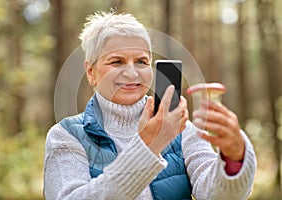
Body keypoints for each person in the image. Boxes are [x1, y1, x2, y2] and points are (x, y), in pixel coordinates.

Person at [43, 11, 256, 200]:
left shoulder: (180, 128)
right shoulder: (65, 136)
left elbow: (217, 194)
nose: (132, 73)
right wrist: (149, 146)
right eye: (116, 61)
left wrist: (234, 156)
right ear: (91, 72)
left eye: (142, 61)